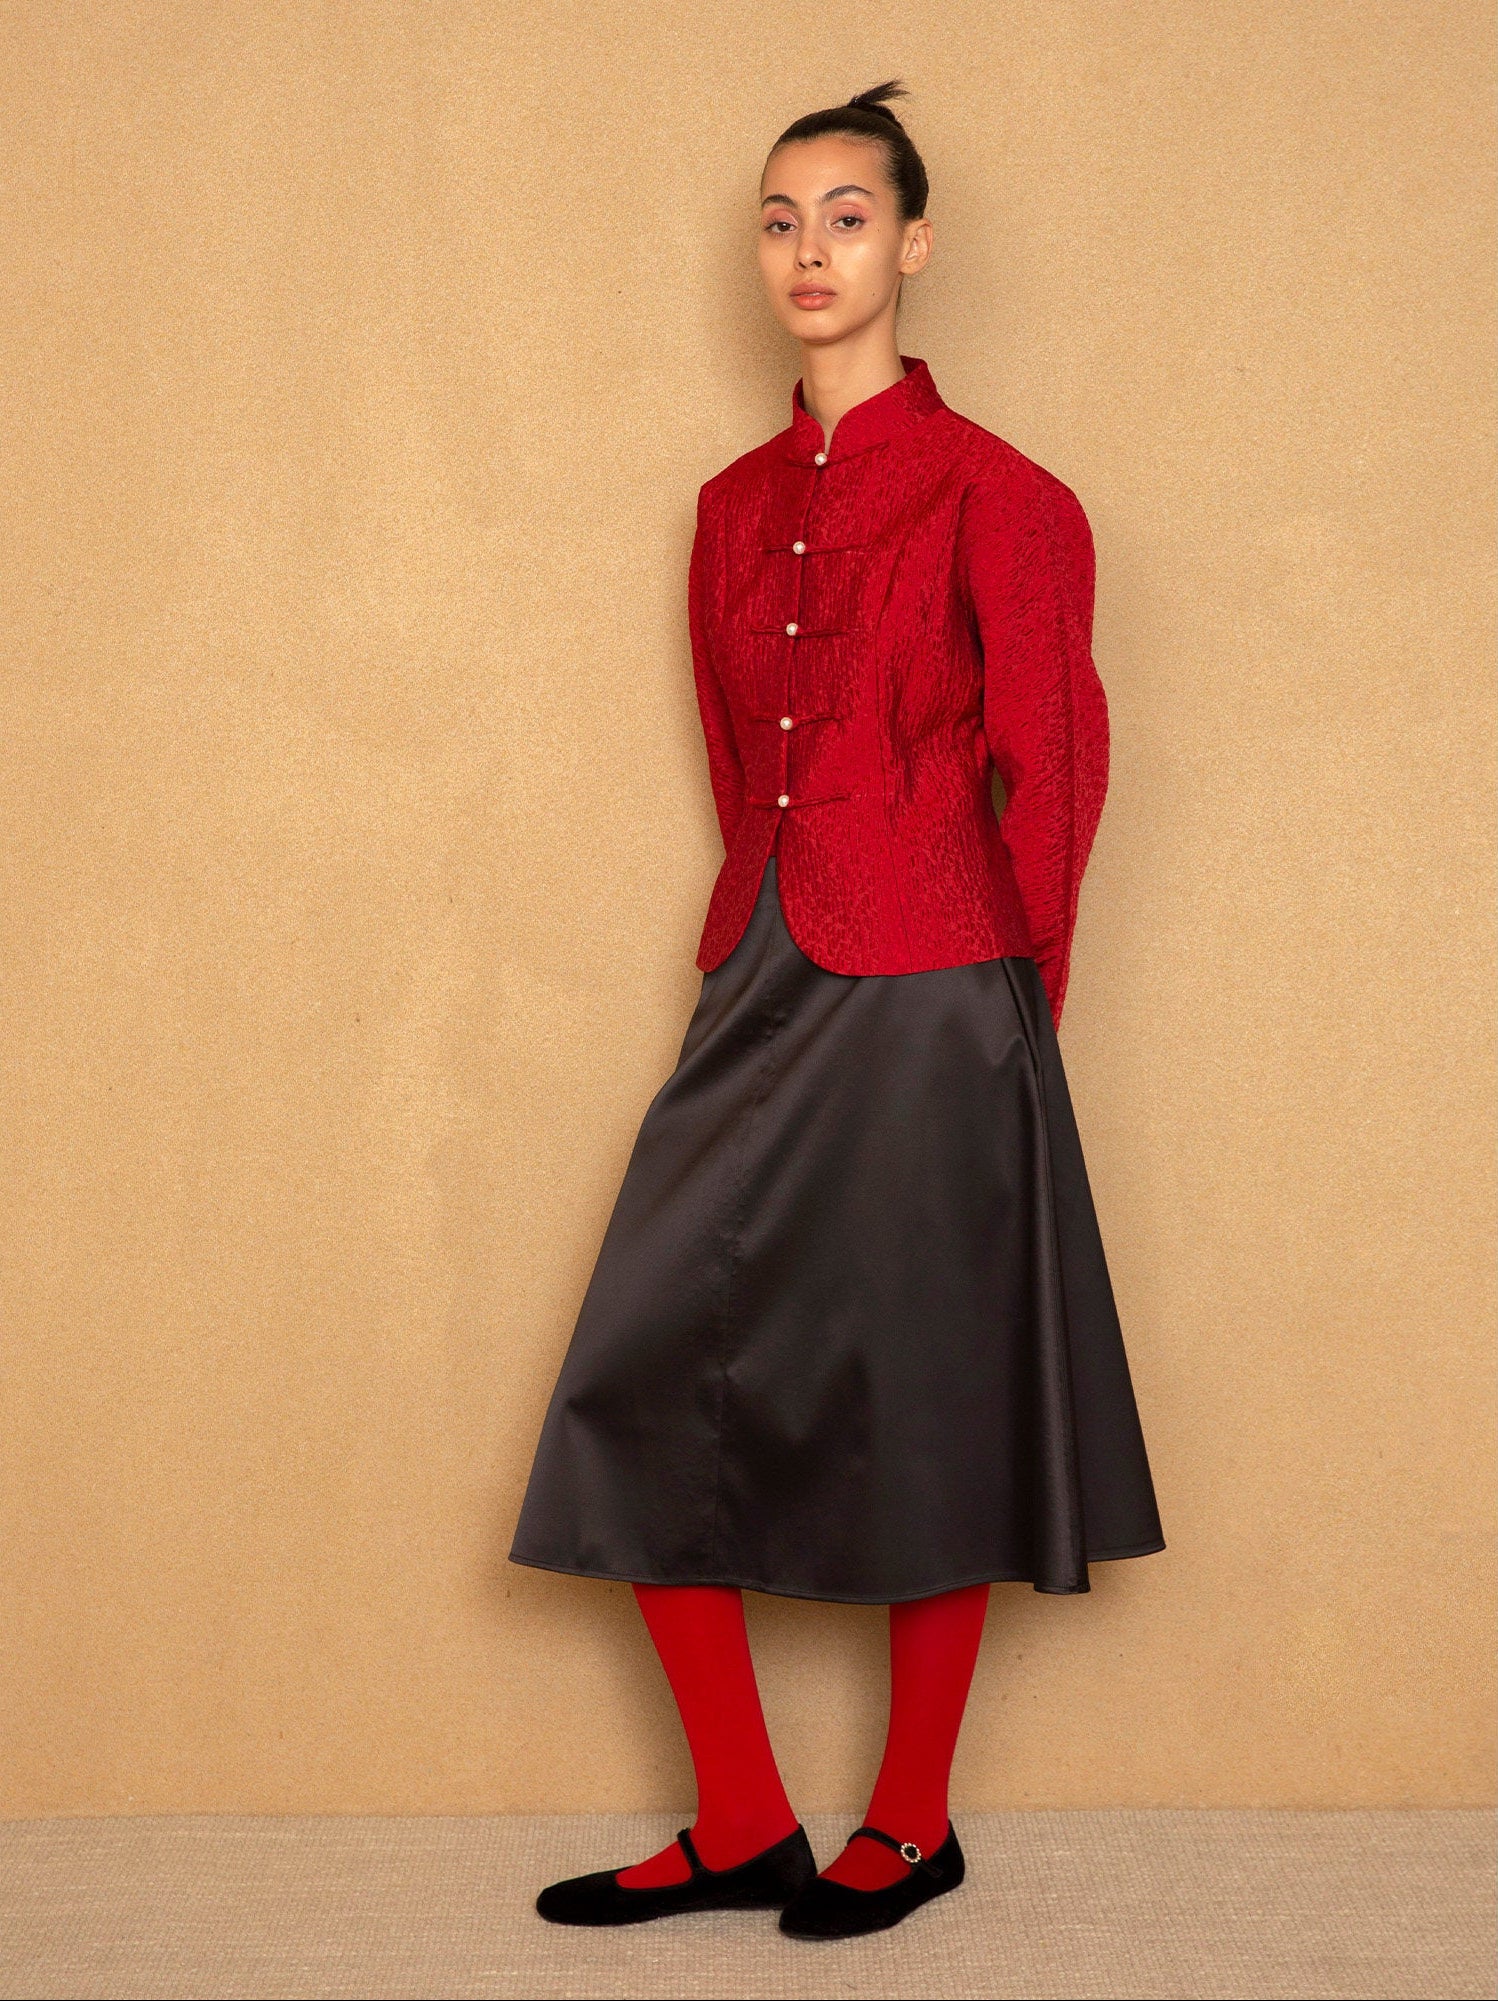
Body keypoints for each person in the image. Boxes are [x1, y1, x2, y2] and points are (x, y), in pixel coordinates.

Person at [508, 80, 1164, 1941]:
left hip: (942, 982)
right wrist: (745, 947)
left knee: (924, 1387)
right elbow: (741, 765)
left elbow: (1059, 763)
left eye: (848, 216)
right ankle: (739, 1820)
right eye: (782, 220)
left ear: (913, 244)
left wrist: (1014, 1018)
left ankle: (908, 1819)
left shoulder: (1004, 497)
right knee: (645, 1362)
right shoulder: (726, 509)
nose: (811, 252)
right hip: (765, 959)